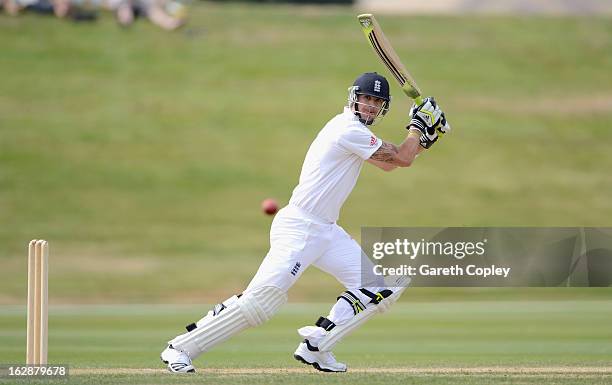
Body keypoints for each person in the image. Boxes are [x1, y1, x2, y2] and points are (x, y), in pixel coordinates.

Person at [160, 72, 451, 373]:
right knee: (260, 303)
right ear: (354, 98)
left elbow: (392, 164)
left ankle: (316, 348)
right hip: (300, 227)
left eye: (377, 102)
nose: (370, 106)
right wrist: (420, 127)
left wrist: (425, 137)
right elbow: (402, 157)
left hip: (326, 230)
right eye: (366, 99)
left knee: (375, 290)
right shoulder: (346, 128)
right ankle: (179, 348)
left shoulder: (358, 136)